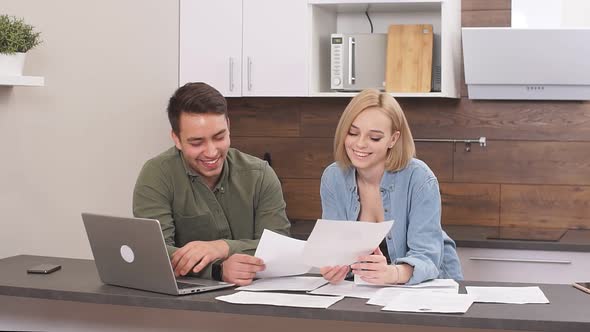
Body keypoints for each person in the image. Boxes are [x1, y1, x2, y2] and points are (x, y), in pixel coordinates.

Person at [133, 82, 290, 286]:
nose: (211, 152)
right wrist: (217, 269)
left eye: (219, 137)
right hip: (182, 306)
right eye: (197, 143)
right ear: (177, 139)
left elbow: (279, 248)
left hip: (256, 298)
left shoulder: (260, 175)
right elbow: (154, 251)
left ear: (229, 127)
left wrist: (222, 247)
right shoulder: (157, 174)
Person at [319, 89, 463, 285]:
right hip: (365, 289)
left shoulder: (419, 178)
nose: (360, 144)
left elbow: (427, 258)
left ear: (393, 139)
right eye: (353, 133)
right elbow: (335, 250)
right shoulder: (333, 177)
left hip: (429, 287)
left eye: (374, 138)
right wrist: (334, 269)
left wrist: (392, 273)